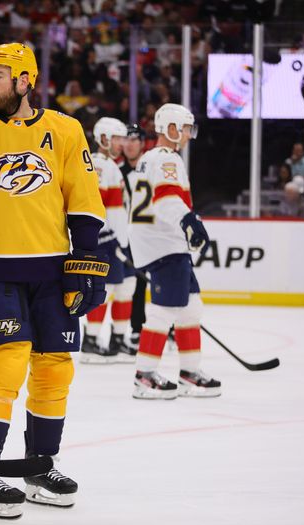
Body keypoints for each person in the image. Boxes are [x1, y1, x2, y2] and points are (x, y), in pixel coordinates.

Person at [0, 43, 108, 519]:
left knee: (55, 369)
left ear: (25, 80)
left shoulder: (65, 129)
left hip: (51, 271)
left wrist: (85, 259)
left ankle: (38, 465)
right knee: (5, 366)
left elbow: (84, 199)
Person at [127, 103, 221, 400]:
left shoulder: (148, 158)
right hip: (164, 244)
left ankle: (189, 372)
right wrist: (189, 222)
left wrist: (187, 224)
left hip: (161, 243)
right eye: (186, 128)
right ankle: (144, 376)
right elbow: (167, 200)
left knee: (191, 307)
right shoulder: (168, 159)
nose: (189, 135)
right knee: (163, 311)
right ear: (171, 128)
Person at [80, 117, 137, 362]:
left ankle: (118, 338)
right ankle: (91, 341)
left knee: (127, 286)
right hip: (107, 240)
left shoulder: (112, 165)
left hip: (120, 239)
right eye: (117, 138)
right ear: (103, 138)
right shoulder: (99, 165)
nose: (121, 143)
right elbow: (97, 206)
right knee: (108, 288)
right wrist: (112, 237)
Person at [119, 123, 148, 350]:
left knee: (158, 281)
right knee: (135, 283)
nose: (129, 144)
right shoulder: (117, 172)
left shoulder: (151, 169)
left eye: (134, 139)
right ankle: (137, 328)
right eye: (126, 139)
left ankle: (167, 327)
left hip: (151, 235)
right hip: (129, 237)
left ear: (142, 144)